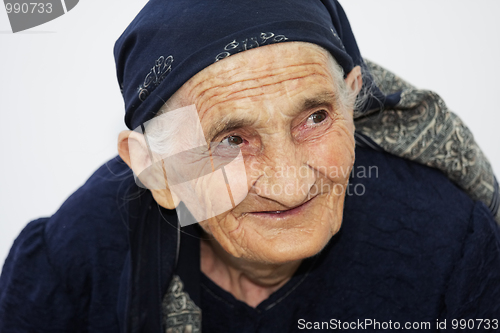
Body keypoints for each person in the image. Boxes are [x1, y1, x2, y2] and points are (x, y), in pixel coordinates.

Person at [1, 1, 500, 332]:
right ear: (158, 171)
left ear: (353, 104)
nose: (291, 183)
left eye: (316, 117)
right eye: (232, 139)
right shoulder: (75, 258)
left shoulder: (449, 249)